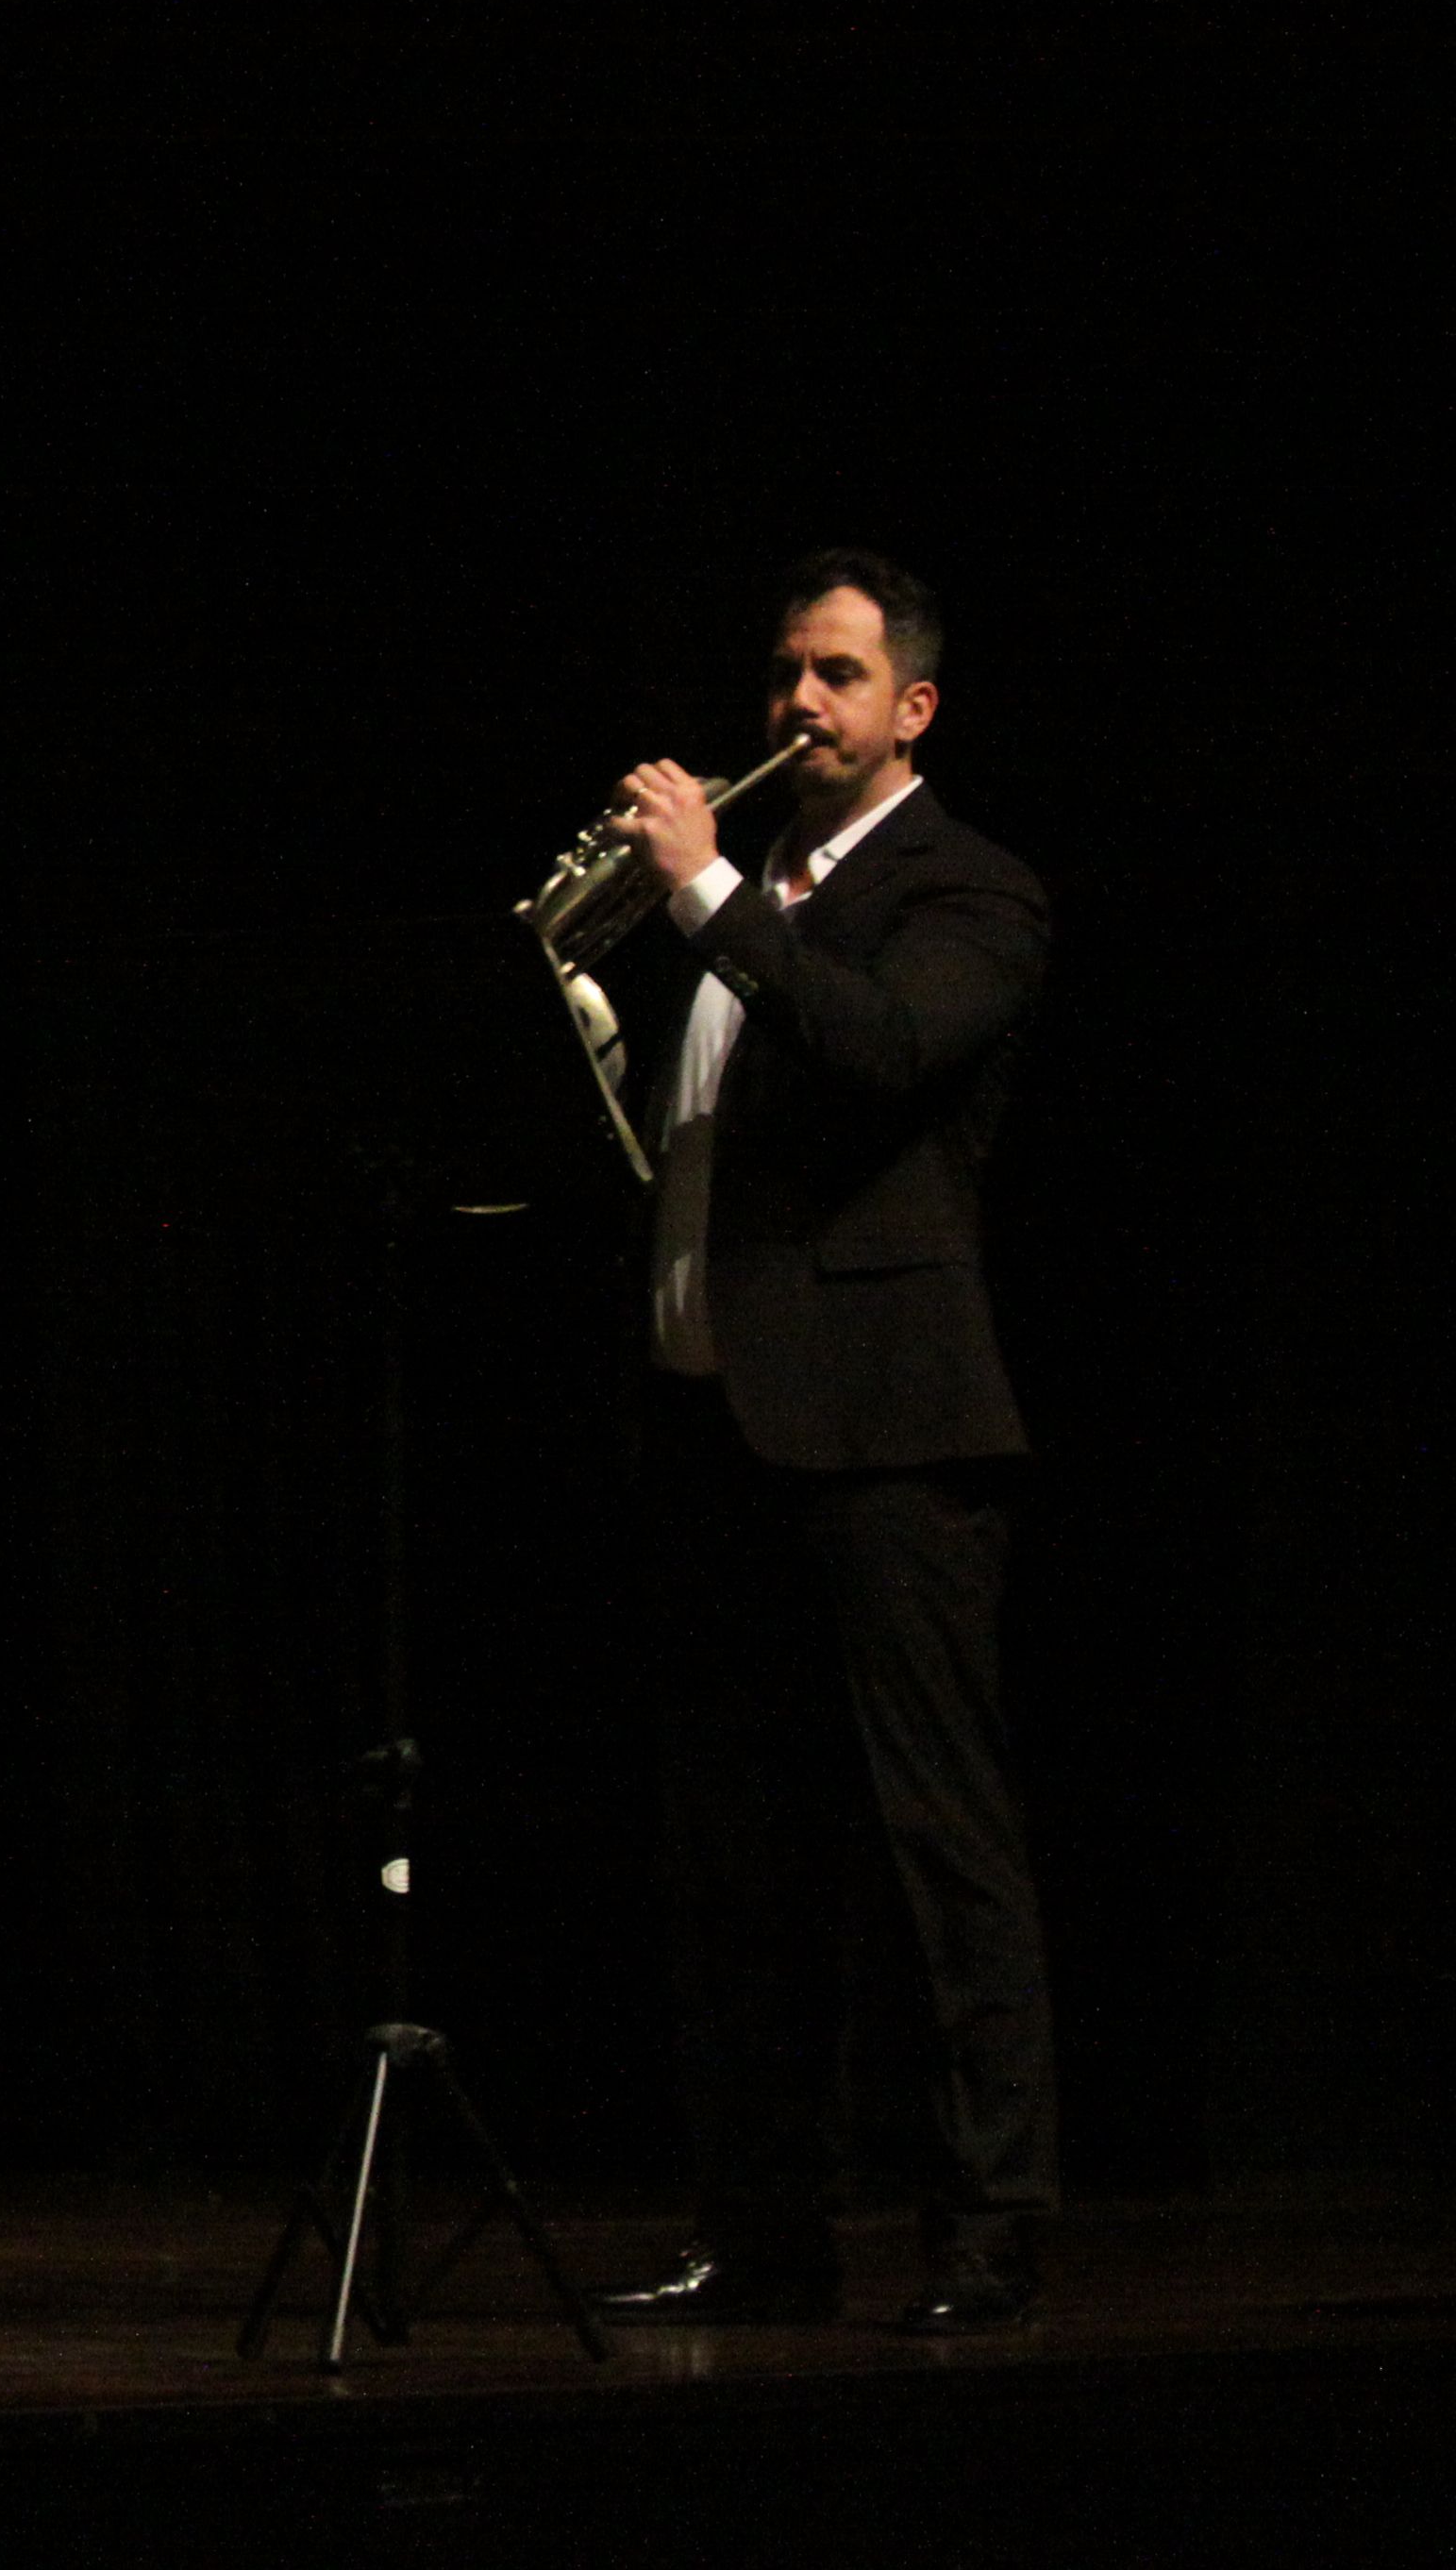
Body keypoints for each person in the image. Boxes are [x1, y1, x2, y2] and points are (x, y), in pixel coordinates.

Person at [582, 552, 1057, 2335]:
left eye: (837, 677)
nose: (798, 705)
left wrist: (707, 891)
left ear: (910, 708)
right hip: (718, 1425)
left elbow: (882, 1050)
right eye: (785, 670)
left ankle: (990, 2226)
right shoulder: (746, 899)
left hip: (887, 1437)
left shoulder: (969, 889)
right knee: (737, 1859)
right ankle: (763, 2227)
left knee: (938, 1844)